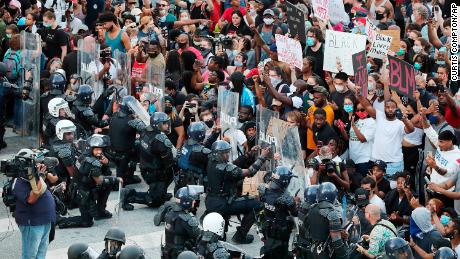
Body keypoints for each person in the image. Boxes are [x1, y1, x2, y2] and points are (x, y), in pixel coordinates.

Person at [205, 140, 269, 244]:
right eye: (225, 152)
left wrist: (249, 154)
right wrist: (262, 157)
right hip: (222, 203)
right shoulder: (225, 168)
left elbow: (234, 165)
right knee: (256, 204)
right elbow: (250, 172)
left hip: (211, 201)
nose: (227, 154)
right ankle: (240, 236)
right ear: (219, 154)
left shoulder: (211, 161)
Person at [58, 134, 121, 228]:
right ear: (91, 149)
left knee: (106, 186)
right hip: (82, 192)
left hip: (88, 186)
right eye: (96, 149)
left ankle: (100, 211)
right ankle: (61, 220)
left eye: (100, 149)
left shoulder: (87, 155)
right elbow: (99, 180)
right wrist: (115, 179)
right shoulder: (91, 162)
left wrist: (106, 163)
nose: (99, 151)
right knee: (87, 222)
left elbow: (109, 168)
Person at [121, 112, 176, 210]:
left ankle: (160, 192)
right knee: (156, 202)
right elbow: (169, 162)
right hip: (154, 173)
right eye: (164, 123)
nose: (167, 125)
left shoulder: (146, 131)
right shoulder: (161, 141)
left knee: (168, 175)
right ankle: (130, 195)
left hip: (146, 168)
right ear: (157, 125)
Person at [13, 150, 56, 259]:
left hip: (45, 220)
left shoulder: (34, 176)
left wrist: (41, 174)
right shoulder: (19, 182)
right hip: (32, 223)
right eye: (33, 163)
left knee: (41, 253)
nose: (37, 165)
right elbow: (32, 198)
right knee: (30, 255)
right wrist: (40, 176)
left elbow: (54, 179)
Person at [258, 166, 297, 258]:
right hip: (280, 233)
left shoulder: (264, 190)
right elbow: (295, 213)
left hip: (267, 228)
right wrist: (294, 203)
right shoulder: (286, 200)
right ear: (285, 181)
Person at [107, 96, 145, 186]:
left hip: (112, 151)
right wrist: (138, 117)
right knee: (140, 146)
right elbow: (145, 129)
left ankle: (129, 175)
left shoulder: (115, 115)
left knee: (136, 145)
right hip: (124, 153)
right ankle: (126, 177)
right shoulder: (131, 121)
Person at [307, 182, 349, 258]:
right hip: (325, 253)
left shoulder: (311, 209)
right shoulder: (332, 214)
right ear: (333, 196)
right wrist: (344, 256)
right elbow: (337, 241)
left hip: (312, 251)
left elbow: (306, 232)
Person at [161, 186, 202, 258]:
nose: (194, 201)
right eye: (193, 200)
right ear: (186, 202)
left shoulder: (169, 211)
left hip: (167, 253)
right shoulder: (188, 219)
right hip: (183, 255)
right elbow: (199, 237)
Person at [177, 121, 211, 190]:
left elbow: (201, 146)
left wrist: (215, 134)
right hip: (195, 184)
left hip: (182, 180)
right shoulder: (201, 152)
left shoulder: (186, 144)